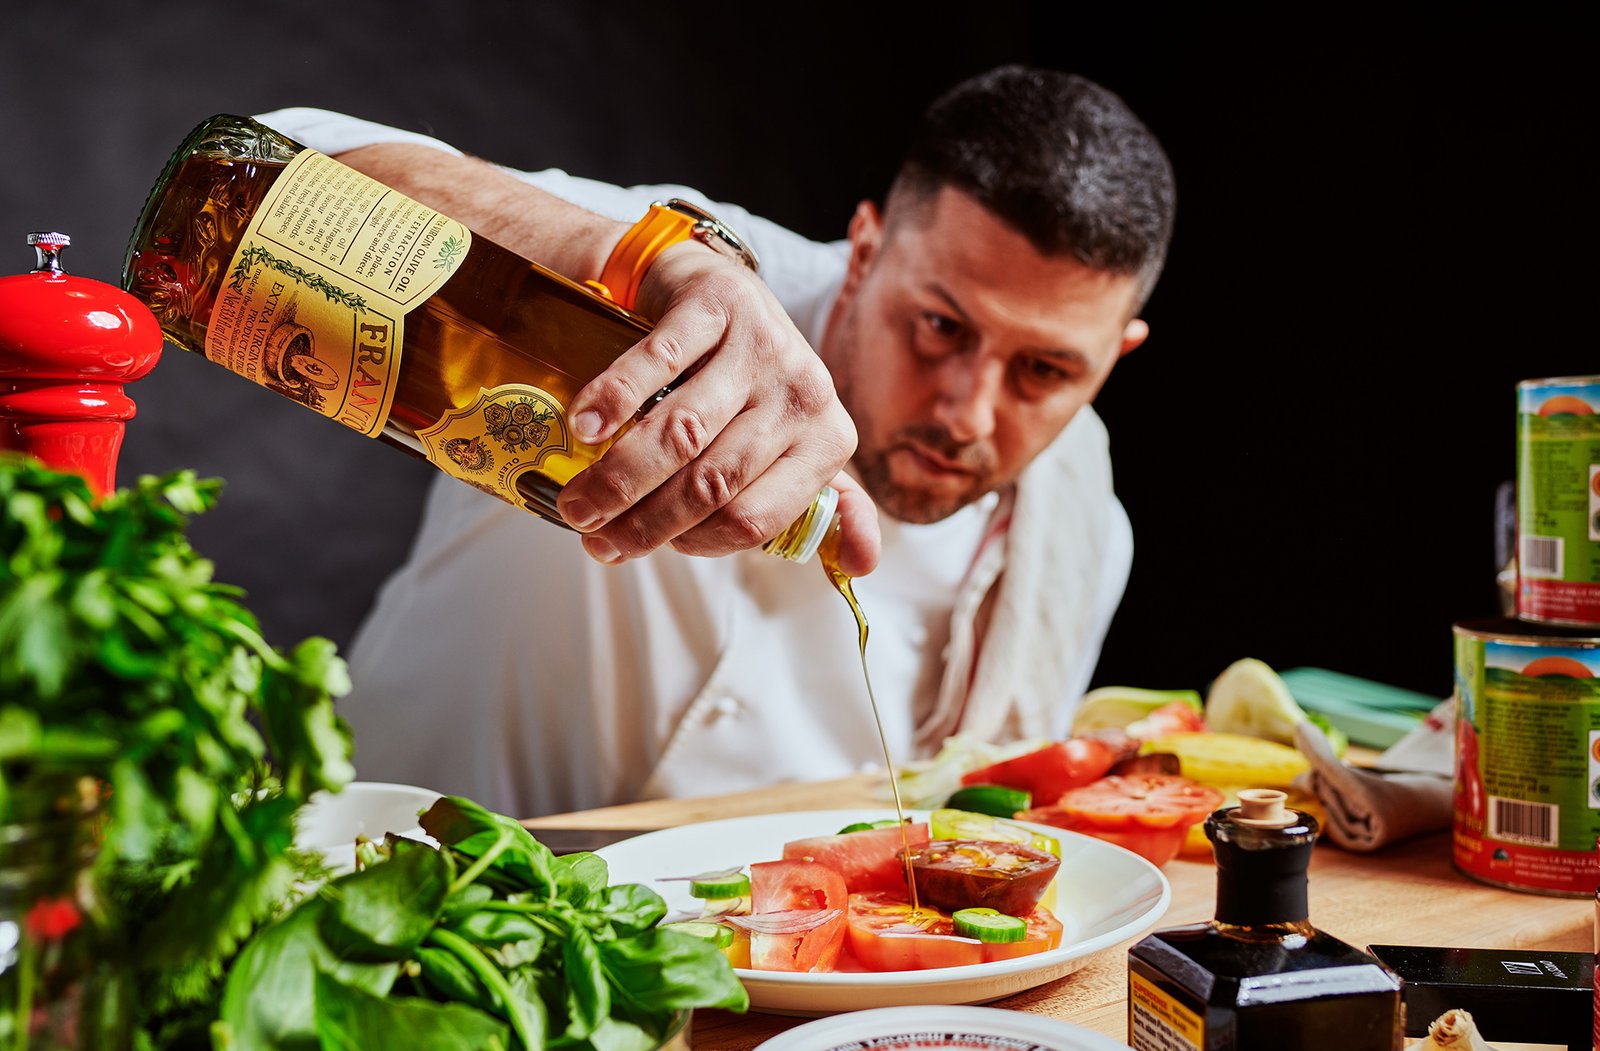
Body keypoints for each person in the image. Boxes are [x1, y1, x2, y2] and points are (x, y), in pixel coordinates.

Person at [258, 63, 1176, 817]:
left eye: (1045, 372)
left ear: (1116, 357)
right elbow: (276, 161)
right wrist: (641, 259)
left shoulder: (1080, 542)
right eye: (939, 326)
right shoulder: (678, 275)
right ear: (866, 251)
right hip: (370, 871)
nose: (969, 412)